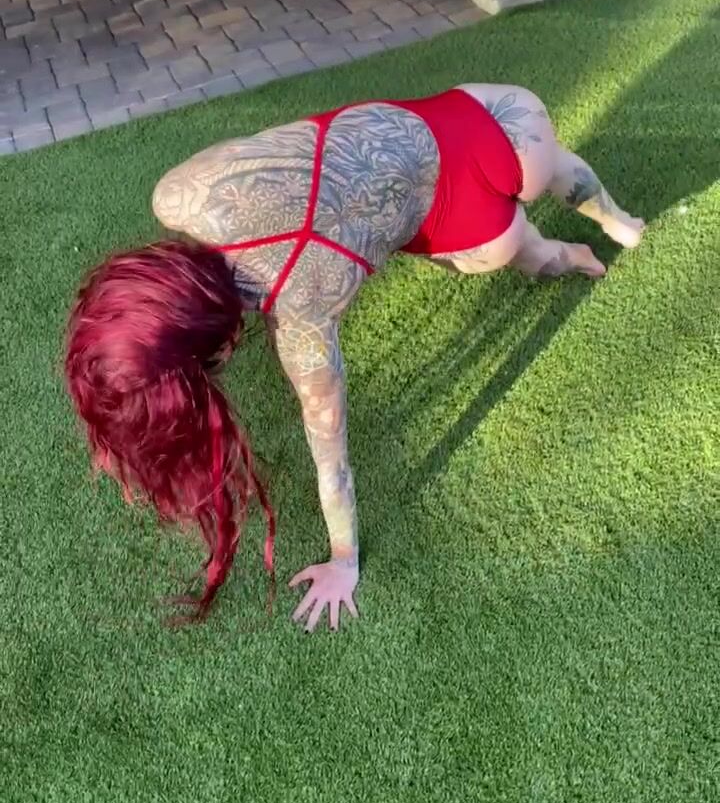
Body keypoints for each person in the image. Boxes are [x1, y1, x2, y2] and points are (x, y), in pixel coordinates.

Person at [65, 83, 644, 630]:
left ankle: (570, 255)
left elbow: (333, 464)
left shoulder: (302, 320)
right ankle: (624, 226)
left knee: (527, 250)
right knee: (549, 166)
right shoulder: (179, 192)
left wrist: (344, 562)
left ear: (215, 350)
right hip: (491, 119)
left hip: (475, 233)